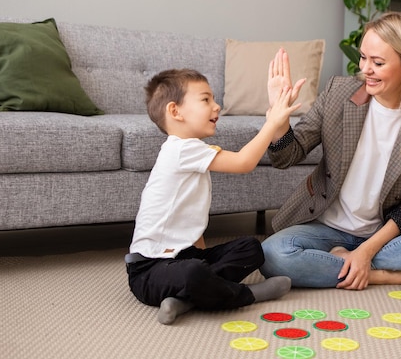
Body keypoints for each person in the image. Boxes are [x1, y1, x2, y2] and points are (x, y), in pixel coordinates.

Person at [260, 11, 401, 290]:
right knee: (272, 254)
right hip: (327, 228)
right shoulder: (339, 92)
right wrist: (278, 119)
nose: (366, 70)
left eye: (378, 62)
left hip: (386, 233)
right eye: (363, 57)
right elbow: (287, 156)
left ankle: (361, 269)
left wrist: (366, 252)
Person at [126, 68, 301, 324]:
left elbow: (188, 221)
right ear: (175, 112)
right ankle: (246, 295)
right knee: (194, 272)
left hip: (185, 257)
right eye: (206, 99)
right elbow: (243, 162)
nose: (216, 106)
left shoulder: (191, 151)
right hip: (149, 270)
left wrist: (203, 259)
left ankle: (186, 299)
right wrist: (272, 123)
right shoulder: (181, 149)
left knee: (250, 248)